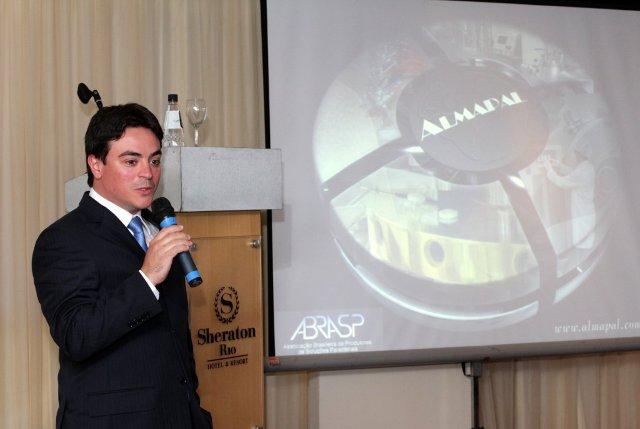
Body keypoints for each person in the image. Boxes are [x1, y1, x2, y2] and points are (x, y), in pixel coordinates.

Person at [32, 103, 213, 429]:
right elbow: (76, 335)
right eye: (131, 161)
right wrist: (146, 278)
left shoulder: (158, 227)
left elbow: (175, 339)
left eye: (154, 160)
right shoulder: (62, 239)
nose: (148, 173)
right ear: (96, 164)